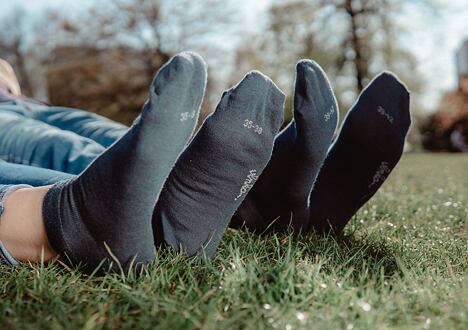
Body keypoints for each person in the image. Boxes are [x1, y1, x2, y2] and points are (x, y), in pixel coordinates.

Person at [0, 53, 411, 274]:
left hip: (31, 102)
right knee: (48, 144)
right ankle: (75, 218)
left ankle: (256, 197)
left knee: (109, 137)